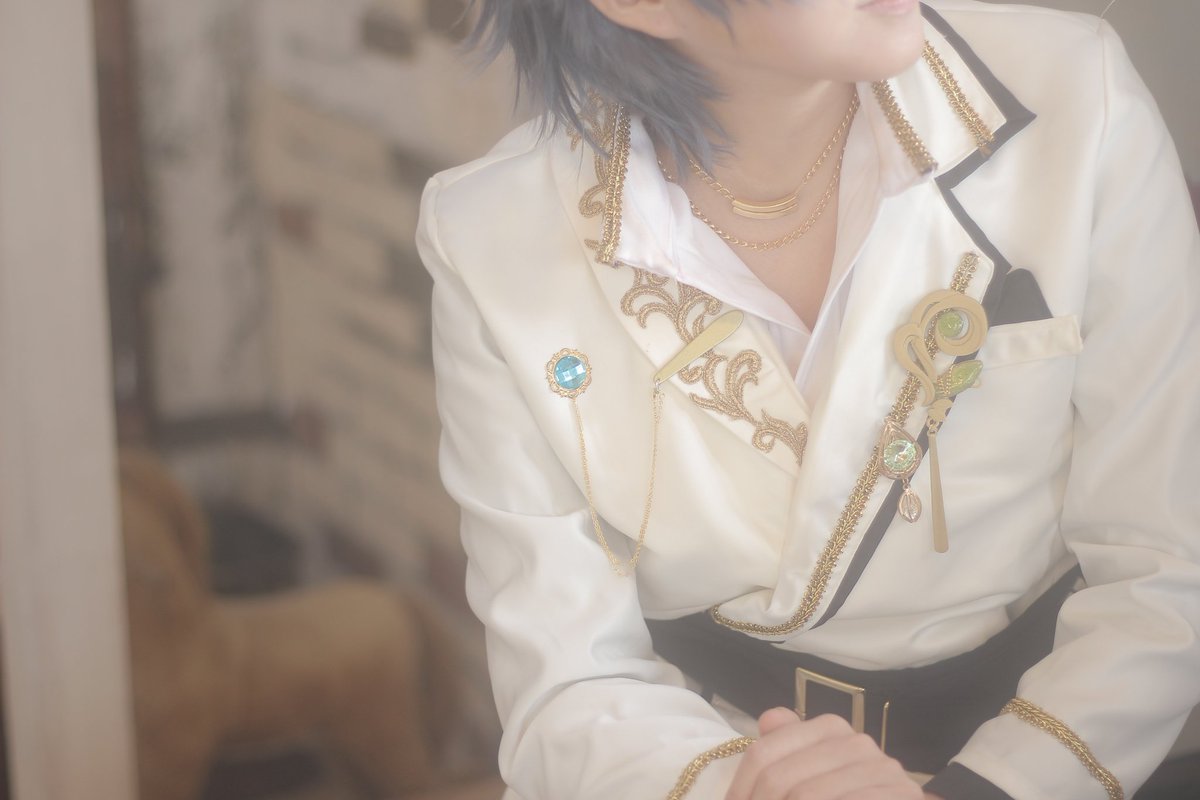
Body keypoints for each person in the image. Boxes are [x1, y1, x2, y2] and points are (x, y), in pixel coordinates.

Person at [416, 0, 1200, 798]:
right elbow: (570, 676)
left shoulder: (1074, 94)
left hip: (1067, 752)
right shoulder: (495, 238)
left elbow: (1166, 563)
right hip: (713, 761)